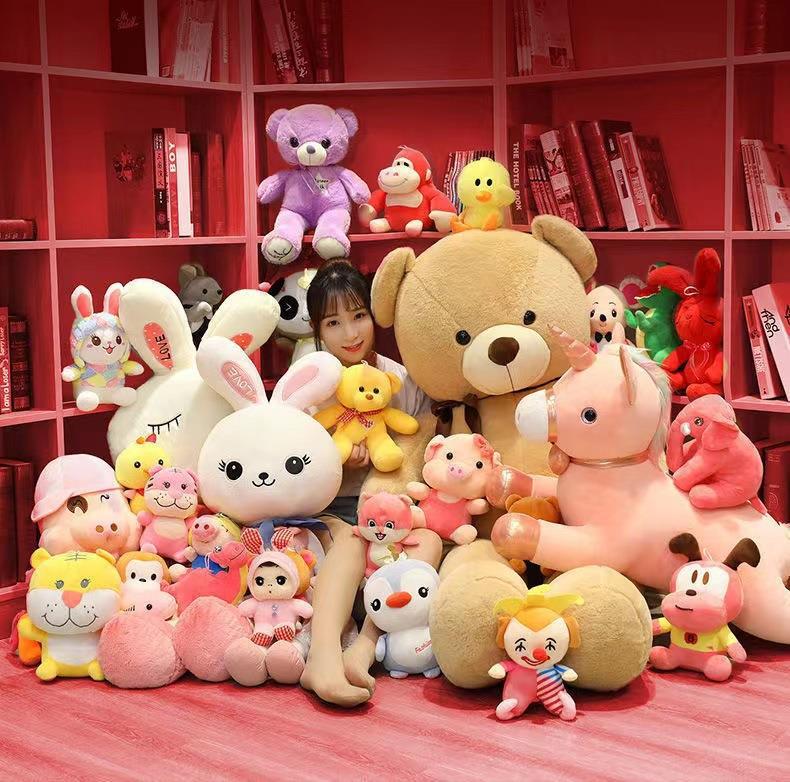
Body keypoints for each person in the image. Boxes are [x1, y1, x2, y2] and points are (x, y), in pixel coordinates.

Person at [300, 259, 442, 706]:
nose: (350, 333)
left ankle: (365, 644)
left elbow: (418, 451)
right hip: (329, 510)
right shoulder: (310, 385)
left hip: (390, 512)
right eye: (333, 322)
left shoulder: (401, 379)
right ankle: (322, 658)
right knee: (350, 539)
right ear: (317, 329)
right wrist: (340, 467)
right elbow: (292, 469)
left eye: (359, 315)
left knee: (427, 541)